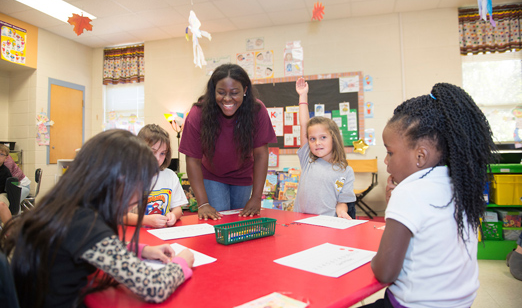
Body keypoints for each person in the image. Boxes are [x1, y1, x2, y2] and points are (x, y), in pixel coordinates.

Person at [333, 83, 497, 308]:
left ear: (420, 156)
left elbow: (385, 272)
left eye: (390, 152)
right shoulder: (460, 185)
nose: (387, 162)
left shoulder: (410, 191)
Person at [0, 129, 195, 308]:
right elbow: (154, 286)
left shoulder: (67, 206)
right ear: (119, 181)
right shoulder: (86, 223)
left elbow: (89, 247)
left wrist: (141, 250)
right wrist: (183, 261)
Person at [180, 63, 277, 220]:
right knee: (219, 222)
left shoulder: (256, 110)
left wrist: (256, 197)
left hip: (243, 175)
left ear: (245, 90)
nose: (227, 99)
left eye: (234, 93)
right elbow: (192, 160)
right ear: (213, 91)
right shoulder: (198, 114)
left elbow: (261, 154)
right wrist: (203, 203)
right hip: (212, 176)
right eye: (221, 92)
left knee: (242, 222)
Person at [293, 77, 356, 219]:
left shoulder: (346, 171)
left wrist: (341, 212)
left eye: (323, 138)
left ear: (333, 138)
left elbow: (342, 202)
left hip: (326, 223)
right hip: (300, 221)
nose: (317, 143)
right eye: (312, 139)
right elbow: (304, 124)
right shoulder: (307, 160)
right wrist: (303, 95)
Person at [125, 124, 187, 228]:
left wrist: (173, 216)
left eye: (162, 153)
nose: (157, 158)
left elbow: (178, 209)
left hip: (162, 233)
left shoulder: (170, 176)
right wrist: (146, 220)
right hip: (137, 235)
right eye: (152, 152)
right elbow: (120, 216)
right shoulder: (129, 177)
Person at [0, 144, 13, 225]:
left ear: (6, 158)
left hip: (2, 194)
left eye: (1, 154)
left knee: (1, 204)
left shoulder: (5, 171)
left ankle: (10, 232)